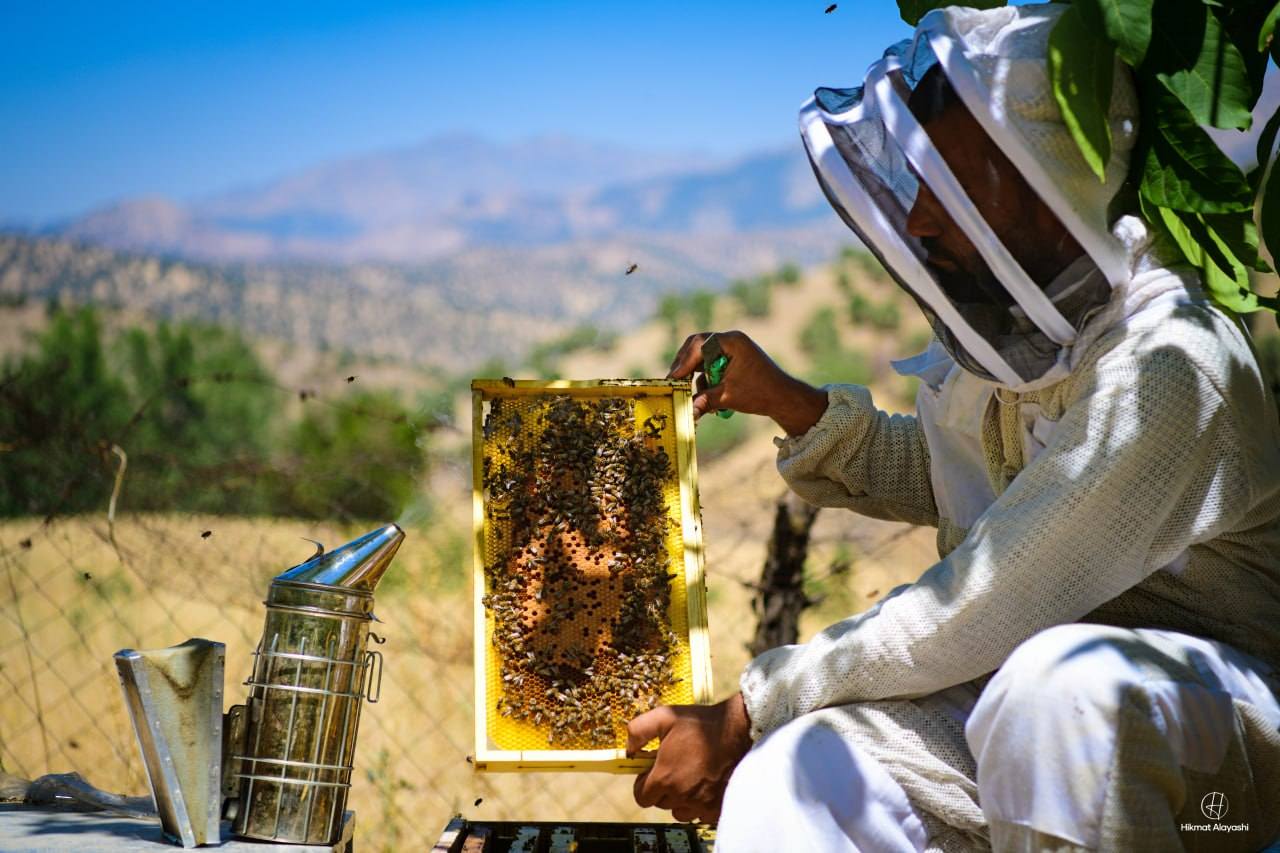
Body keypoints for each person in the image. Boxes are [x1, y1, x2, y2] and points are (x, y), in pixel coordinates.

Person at [626, 5, 1280, 851]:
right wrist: (789, 401)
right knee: (796, 779)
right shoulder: (1030, 346)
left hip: (1220, 746)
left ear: (1050, 182)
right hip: (1020, 698)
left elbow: (988, 592)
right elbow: (962, 482)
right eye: (920, 186)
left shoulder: (1169, 365)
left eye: (953, 185)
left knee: (1058, 695)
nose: (924, 219)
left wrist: (754, 703)